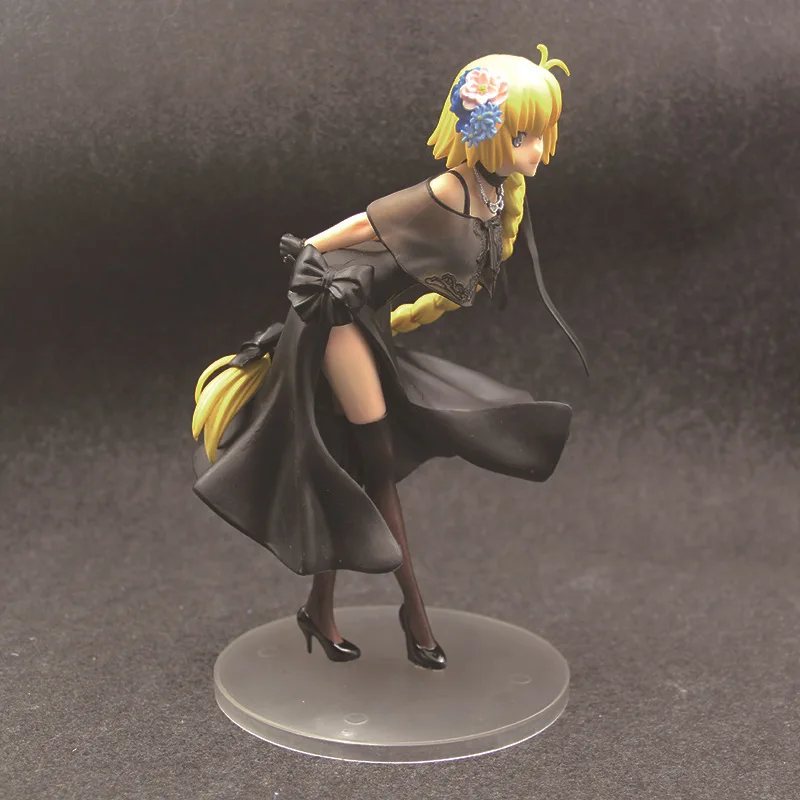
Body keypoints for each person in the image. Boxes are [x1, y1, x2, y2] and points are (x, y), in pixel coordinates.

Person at [191, 45, 588, 670]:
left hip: (368, 321)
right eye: (523, 136)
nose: (537, 150)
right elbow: (363, 225)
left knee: (350, 456)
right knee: (376, 460)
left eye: (543, 134)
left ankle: (319, 610)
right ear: (485, 133)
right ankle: (416, 616)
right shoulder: (445, 190)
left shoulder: (495, 195)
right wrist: (309, 249)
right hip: (336, 312)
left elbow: (454, 274)